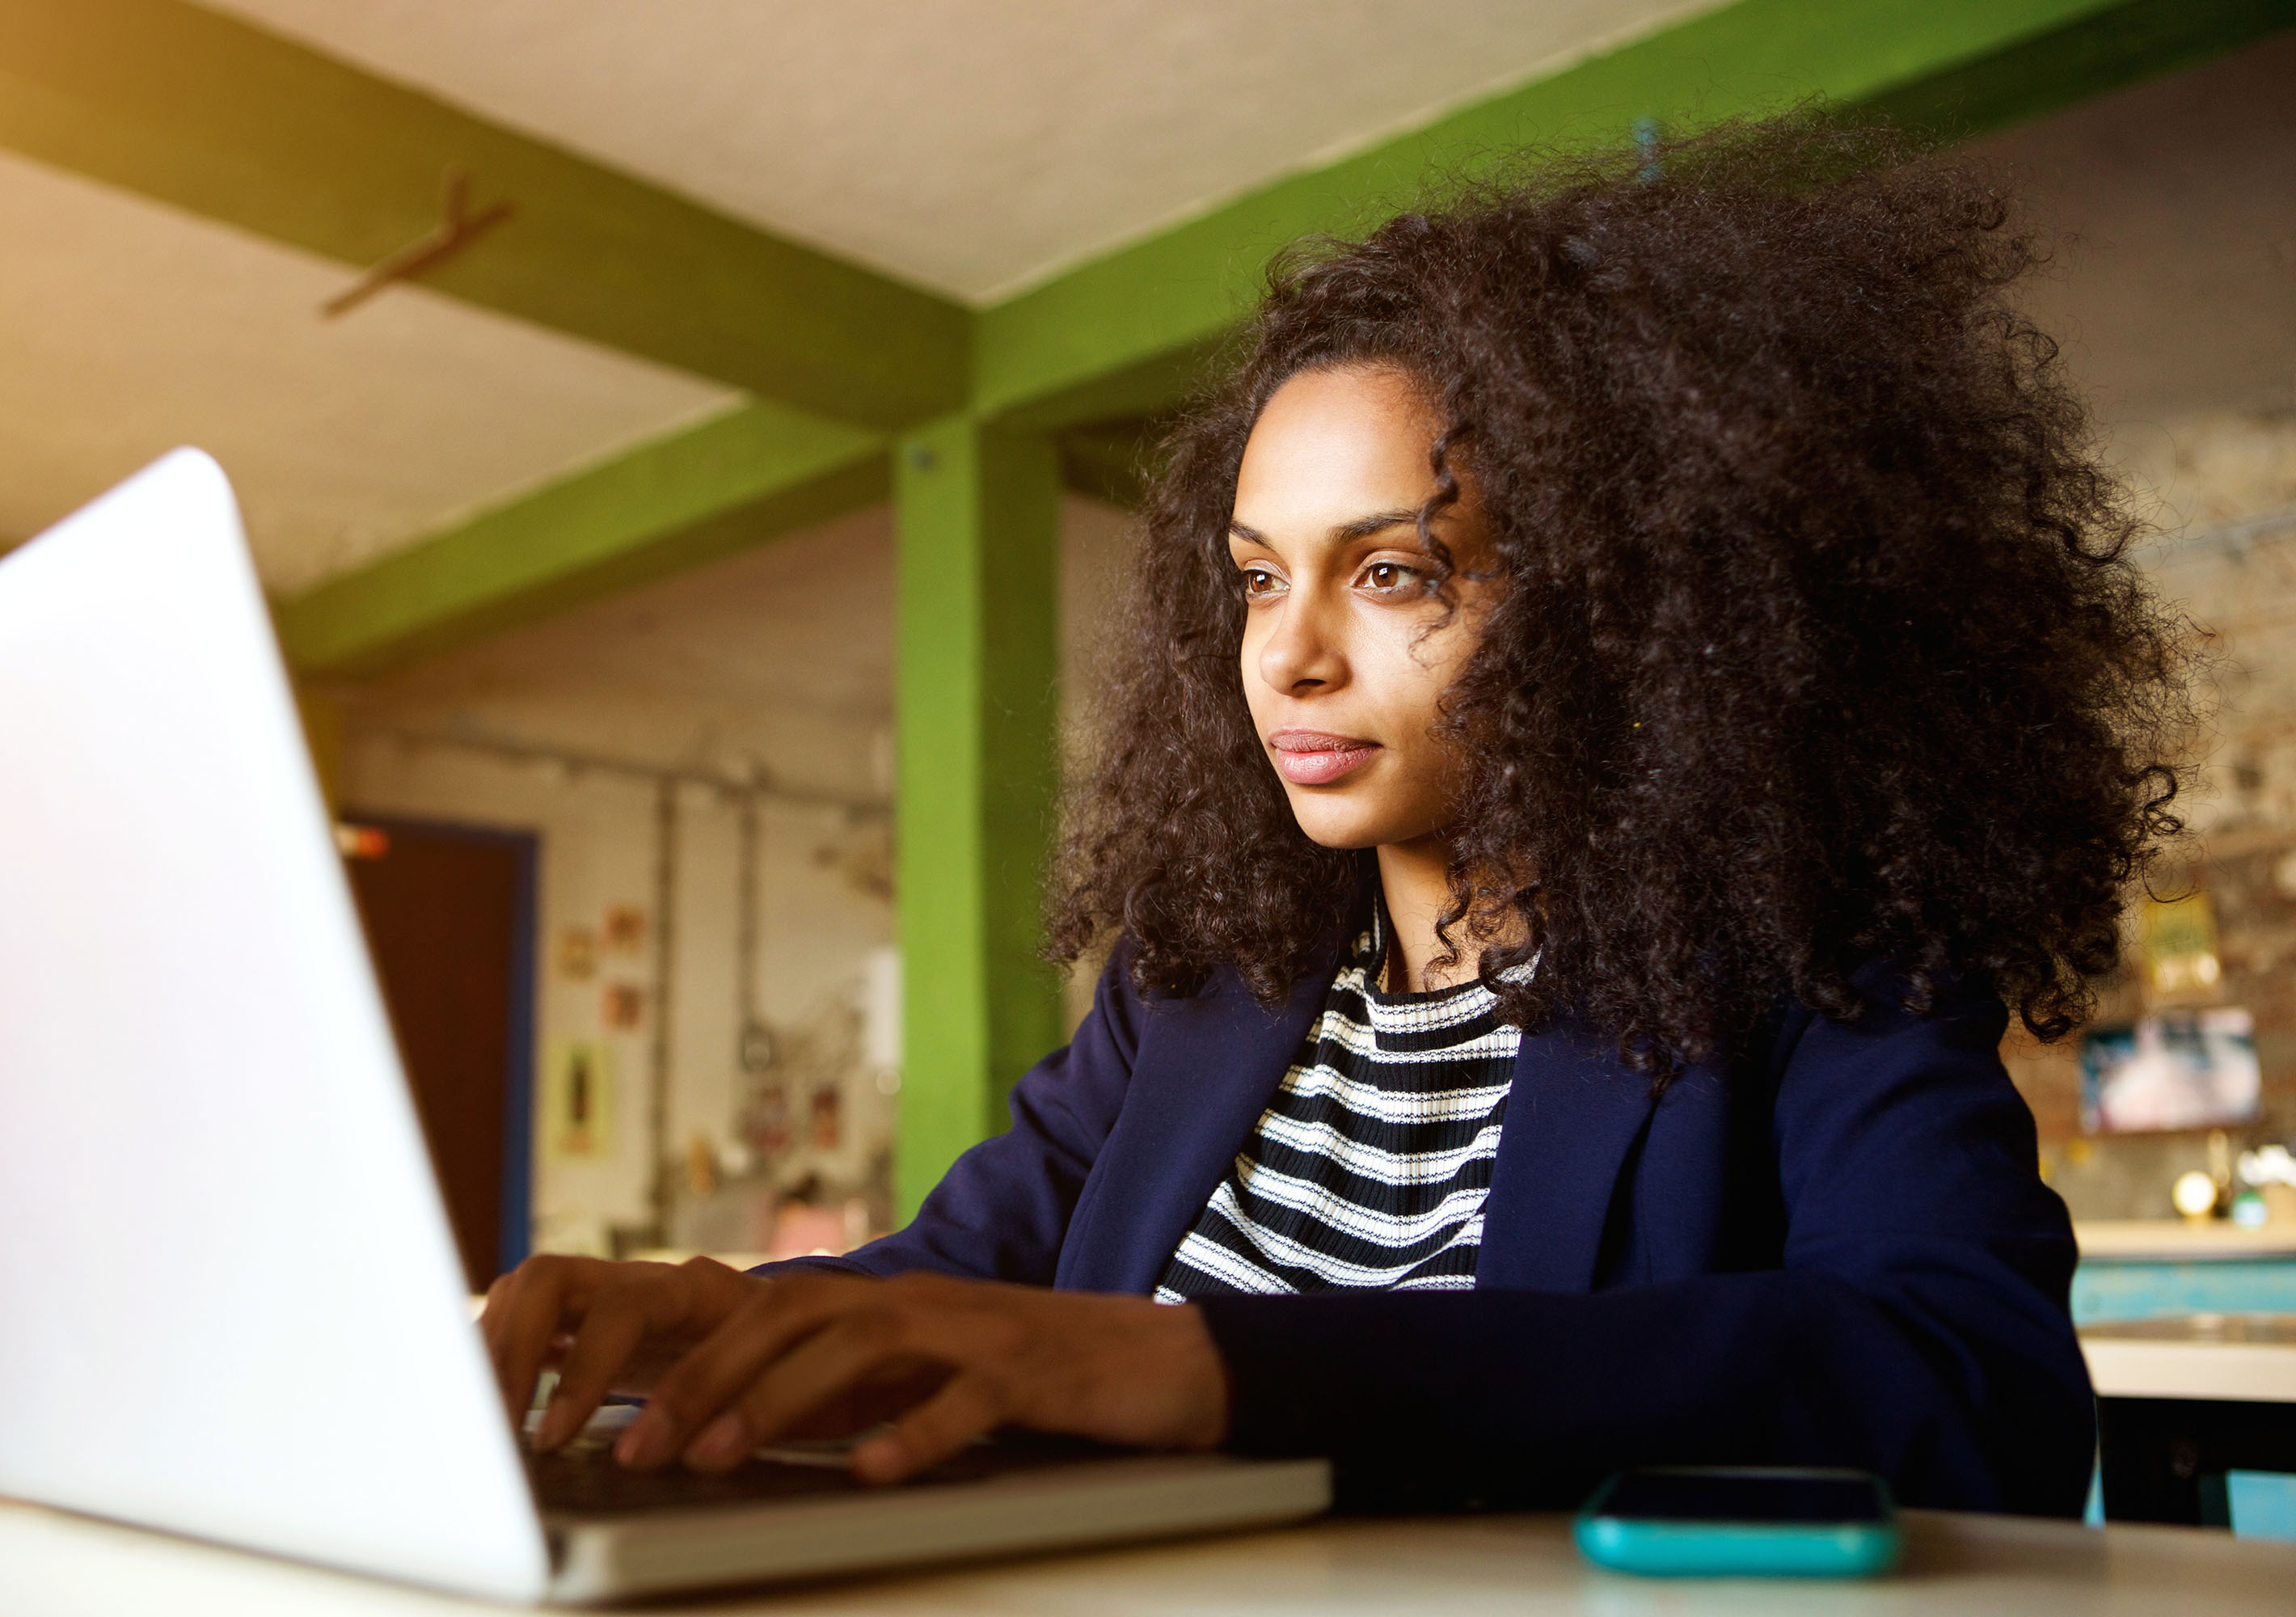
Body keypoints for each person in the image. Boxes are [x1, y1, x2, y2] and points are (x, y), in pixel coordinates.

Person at [481, 116, 2194, 1515]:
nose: (1286, 655)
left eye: (1392, 572)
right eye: (1252, 580)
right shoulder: (1199, 980)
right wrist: (680, 1326)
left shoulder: (1813, 963)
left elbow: (1974, 1390)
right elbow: (946, 1283)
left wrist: (1208, 1368)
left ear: (1618, 604)